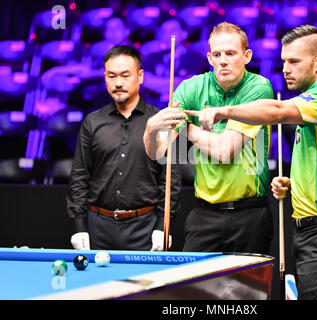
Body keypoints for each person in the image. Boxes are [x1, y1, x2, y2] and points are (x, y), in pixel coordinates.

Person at [185, 25, 317, 300]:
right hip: (313, 228)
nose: (285, 69)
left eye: (294, 61)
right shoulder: (311, 106)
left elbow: (278, 111)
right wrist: (293, 184)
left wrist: (224, 111)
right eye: (283, 62)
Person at [143, 22, 274, 255]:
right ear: (209, 58)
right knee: (195, 290)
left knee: (248, 291)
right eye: (217, 54)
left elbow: (225, 152)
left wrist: (188, 128)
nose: (223, 60)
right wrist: (151, 129)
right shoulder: (190, 88)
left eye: (231, 53)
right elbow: (157, 153)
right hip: (204, 214)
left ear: (247, 56)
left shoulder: (259, 88)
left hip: (250, 213)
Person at [67, 45, 181, 251]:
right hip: (98, 227)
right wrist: (79, 226)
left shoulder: (161, 121)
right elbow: (80, 176)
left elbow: (169, 180)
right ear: (105, 78)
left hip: (145, 227)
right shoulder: (92, 122)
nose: (118, 83)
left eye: (125, 75)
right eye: (112, 76)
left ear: (140, 76)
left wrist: (162, 226)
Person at [141, 19, 207, 108]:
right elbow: (146, 82)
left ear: (184, 34)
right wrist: (177, 82)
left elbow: (189, 86)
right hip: (155, 110)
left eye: (172, 31)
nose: (167, 35)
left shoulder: (194, 57)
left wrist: (158, 84)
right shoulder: (153, 57)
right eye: (163, 32)